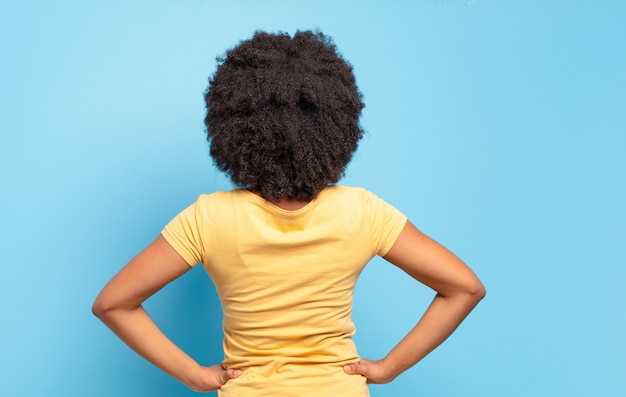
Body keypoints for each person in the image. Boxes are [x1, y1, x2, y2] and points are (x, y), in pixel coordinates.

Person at [92, 30, 485, 397]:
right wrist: (388, 369)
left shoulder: (208, 218)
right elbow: (464, 288)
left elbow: (113, 304)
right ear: (337, 125)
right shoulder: (362, 211)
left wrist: (194, 376)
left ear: (233, 126)